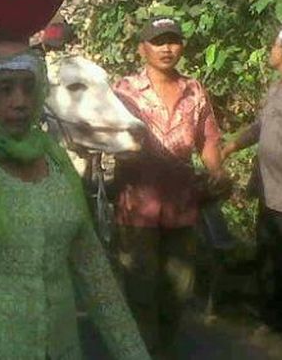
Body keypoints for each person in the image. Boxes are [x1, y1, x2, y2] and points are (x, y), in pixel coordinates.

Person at [0, 0, 148, 359]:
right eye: (4, 89)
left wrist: (134, 353)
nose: (20, 102)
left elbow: (95, 277)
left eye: (28, 87)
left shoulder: (56, 165)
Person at [112, 18, 226, 355]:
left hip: (182, 206)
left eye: (173, 41)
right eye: (158, 41)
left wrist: (217, 172)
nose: (166, 48)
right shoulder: (124, 90)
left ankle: (165, 350)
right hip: (137, 206)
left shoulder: (195, 90)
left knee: (178, 290)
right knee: (139, 290)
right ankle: (140, 352)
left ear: (182, 47)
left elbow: (208, 139)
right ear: (141, 49)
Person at [222, 29, 282, 334]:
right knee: (269, 253)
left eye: (275, 45)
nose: (271, 50)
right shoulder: (277, 87)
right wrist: (233, 145)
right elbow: (263, 125)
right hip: (269, 190)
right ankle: (269, 317)